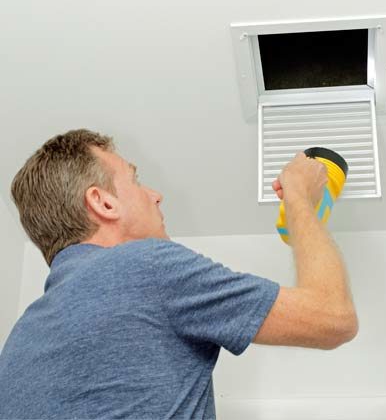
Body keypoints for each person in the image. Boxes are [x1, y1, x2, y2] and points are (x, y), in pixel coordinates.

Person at [0, 129, 358, 419]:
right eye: (135, 181)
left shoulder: (18, 343)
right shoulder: (143, 265)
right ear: (103, 203)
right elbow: (333, 317)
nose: (155, 196)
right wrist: (299, 198)